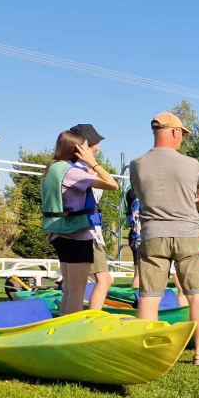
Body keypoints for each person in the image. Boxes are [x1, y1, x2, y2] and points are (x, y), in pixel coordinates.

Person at [129, 112, 199, 365]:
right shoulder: (192, 164)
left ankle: (148, 355)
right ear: (176, 132)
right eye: (183, 135)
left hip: (153, 234)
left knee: (149, 296)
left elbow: (141, 196)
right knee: (196, 295)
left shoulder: (136, 164)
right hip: (187, 235)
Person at [40, 130, 120, 314]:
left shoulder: (53, 167)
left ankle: (62, 329)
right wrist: (93, 163)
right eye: (85, 147)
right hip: (77, 234)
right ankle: (72, 332)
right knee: (77, 290)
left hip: (58, 232)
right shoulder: (72, 172)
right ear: (77, 149)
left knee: (69, 289)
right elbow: (113, 184)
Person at [68, 124, 116, 311]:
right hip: (85, 232)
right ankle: (90, 319)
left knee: (80, 282)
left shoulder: (77, 169)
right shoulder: (78, 170)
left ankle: (78, 317)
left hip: (87, 231)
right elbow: (111, 184)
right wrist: (93, 167)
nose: (97, 147)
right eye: (93, 144)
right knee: (104, 280)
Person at [125, 186, 142, 289]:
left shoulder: (131, 196)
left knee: (139, 274)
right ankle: (136, 299)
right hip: (138, 238)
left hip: (134, 236)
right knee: (139, 274)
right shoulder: (137, 201)